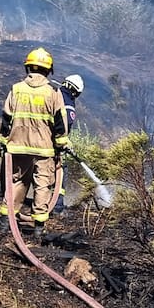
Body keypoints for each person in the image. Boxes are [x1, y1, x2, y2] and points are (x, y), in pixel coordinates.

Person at [0, 47, 69, 238]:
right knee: (42, 186)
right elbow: (60, 123)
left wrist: (3, 139)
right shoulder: (53, 93)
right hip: (44, 151)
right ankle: (38, 230)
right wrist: (61, 144)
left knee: (17, 183)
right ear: (48, 70)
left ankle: (5, 223)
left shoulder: (16, 89)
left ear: (28, 68)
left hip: (17, 148)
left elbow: (6, 118)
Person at [53, 74, 84, 218]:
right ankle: (57, 208)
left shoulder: (54, 93)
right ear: (74, 91)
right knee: (60, 174)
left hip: (36, 142)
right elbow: (66, 125)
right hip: (53, 147)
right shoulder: (68, 104)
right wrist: (64, 141)